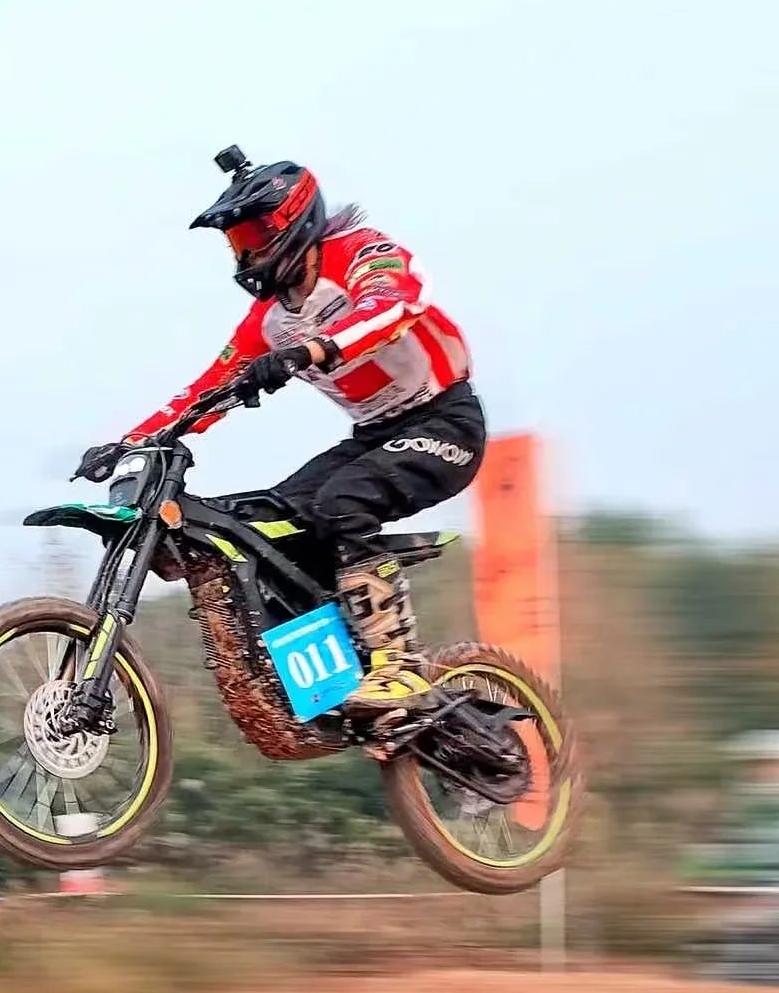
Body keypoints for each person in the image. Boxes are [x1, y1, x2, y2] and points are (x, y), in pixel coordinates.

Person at [76, 146, 484, 711]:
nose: (247, 255)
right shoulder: (267, 321)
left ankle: (399, 667)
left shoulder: (362, 252)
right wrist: (129, 444)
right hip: (373, 436)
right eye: (236, 243)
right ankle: (336, 673)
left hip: (445, 422)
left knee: (342, 503)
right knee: (269, 521)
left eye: (254, 237)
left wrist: (312, 350)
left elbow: (395, 305)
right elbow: (204, 391)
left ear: (295, 222)